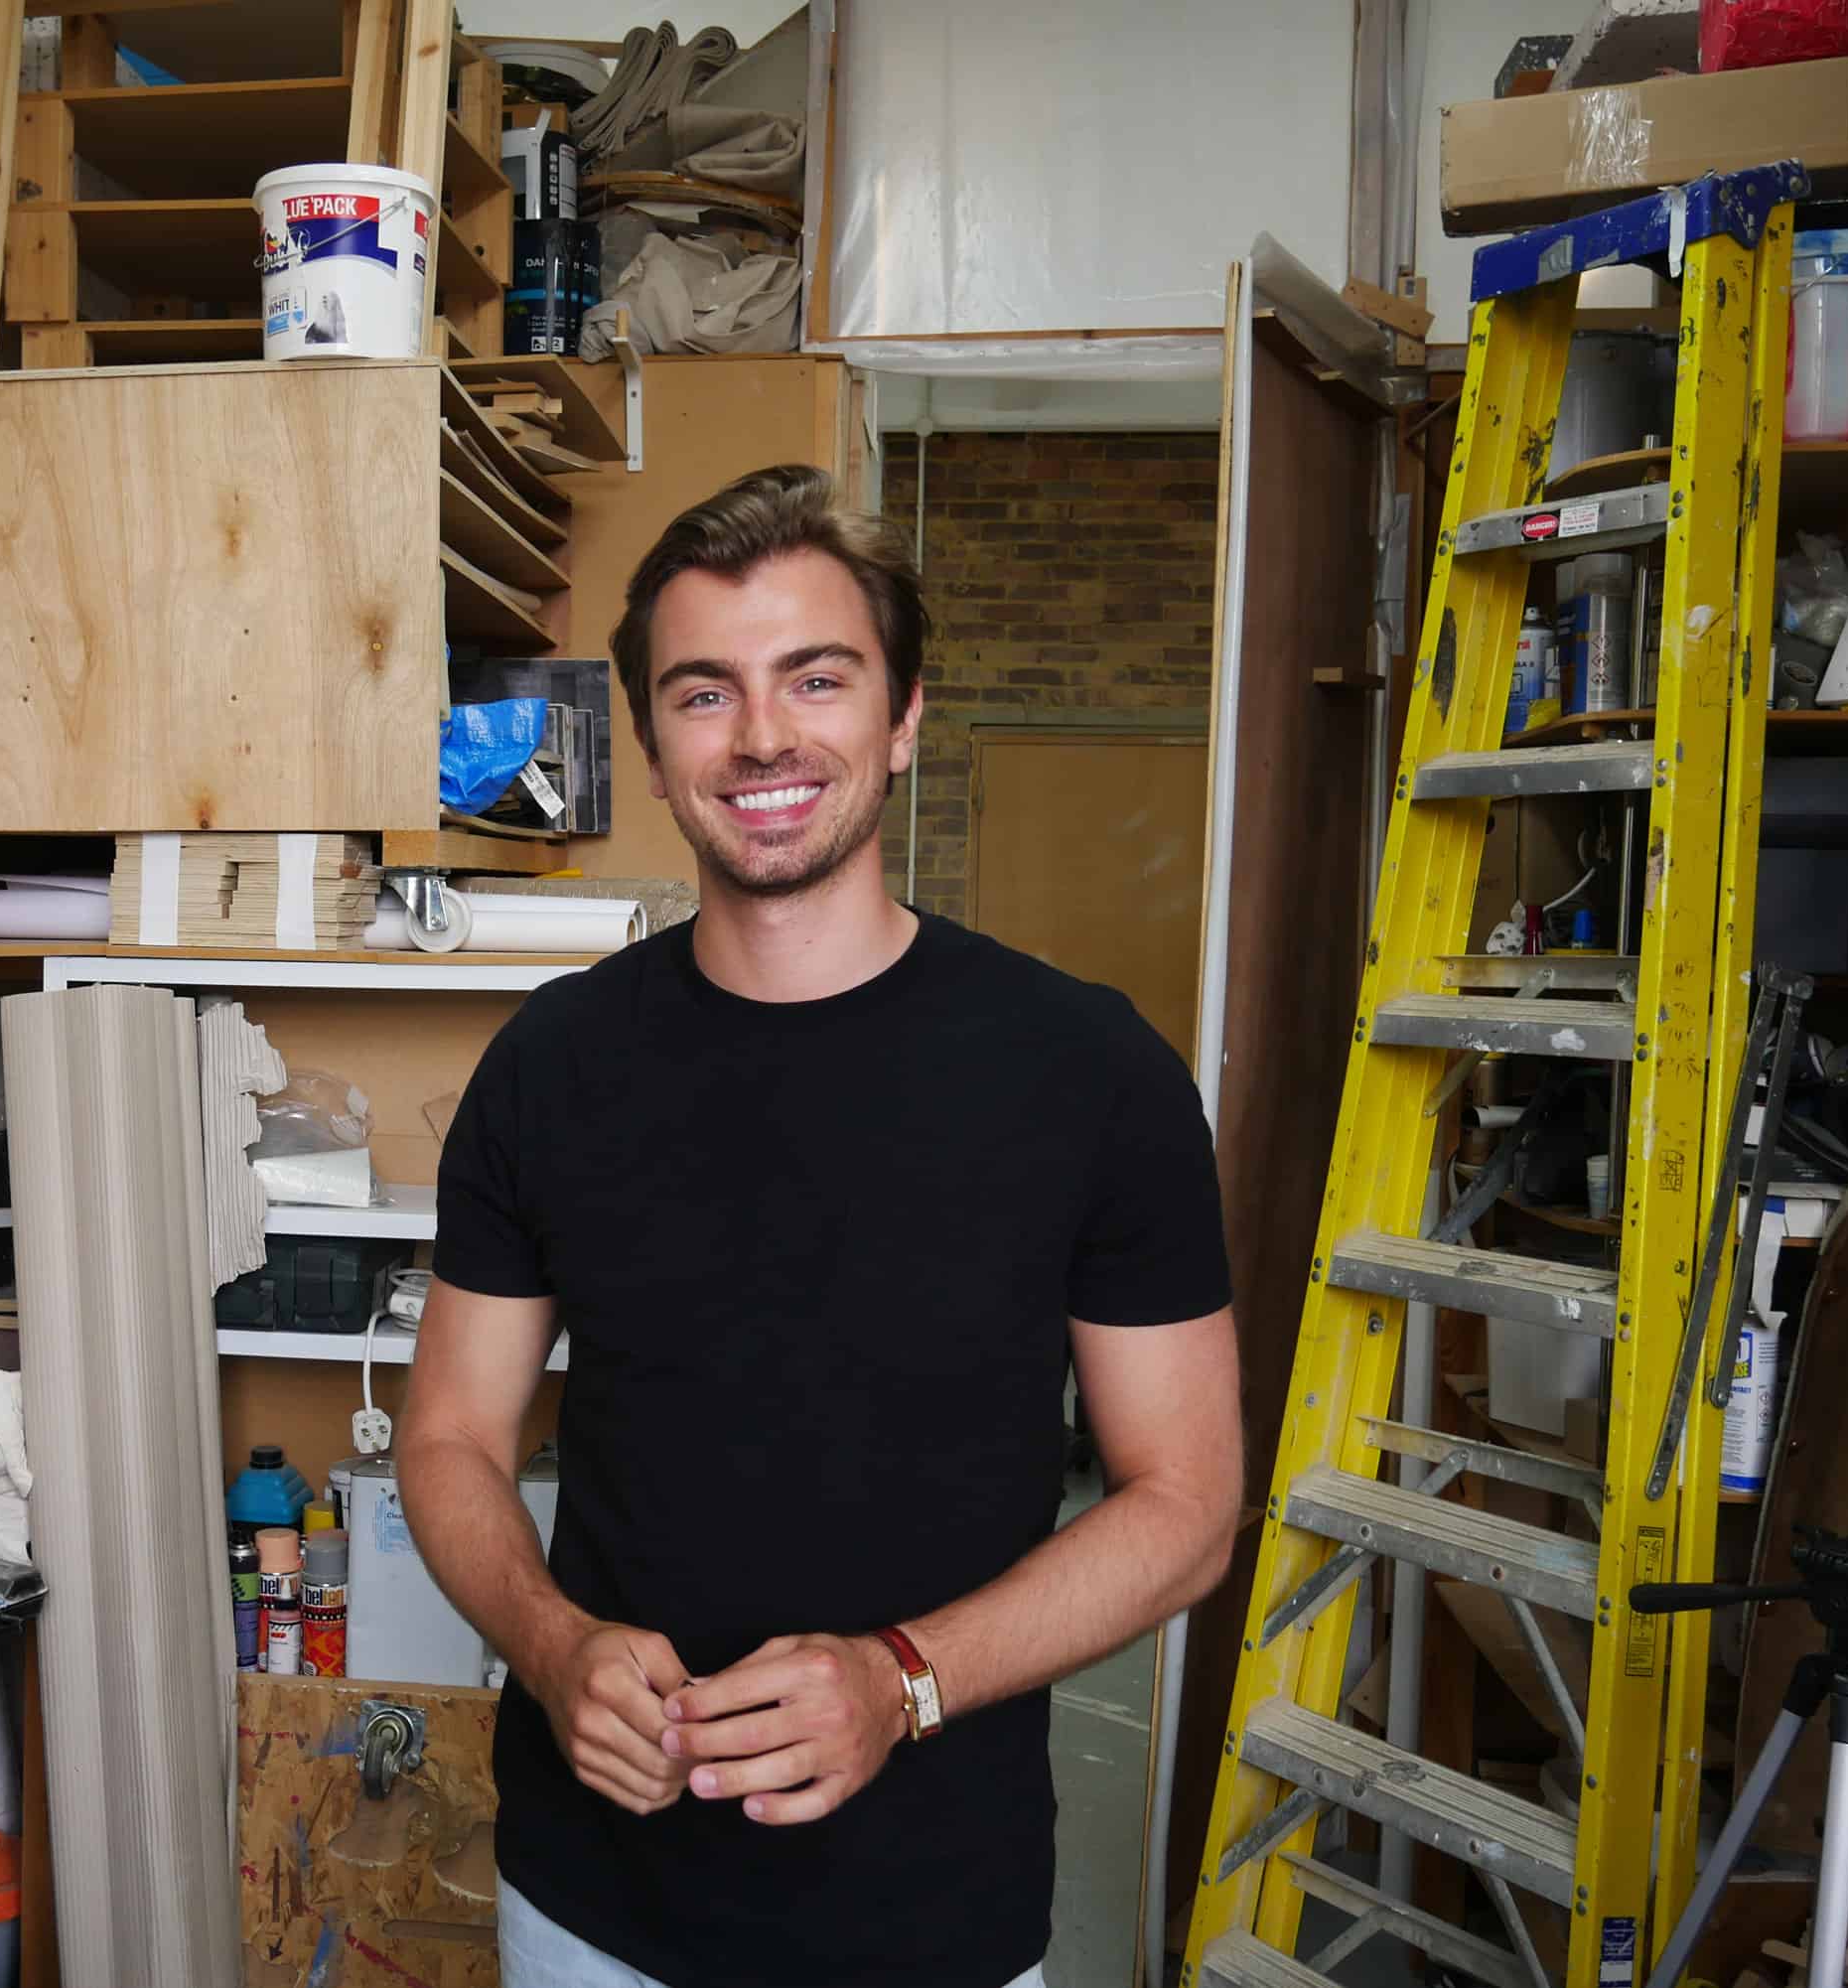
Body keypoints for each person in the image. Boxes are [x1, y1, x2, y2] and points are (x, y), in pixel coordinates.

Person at [397, 465, 1246, 1988]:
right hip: (590, 1905)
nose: (766, 736)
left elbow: (1186, 1500)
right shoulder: (550, 1066)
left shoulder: (1093, 1074)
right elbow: (451, 1434)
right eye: (705, 691)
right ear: (655, 745)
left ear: (905, 716)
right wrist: (547, 1640)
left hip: (932, 1924)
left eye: (818, 678)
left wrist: (902, 1680)